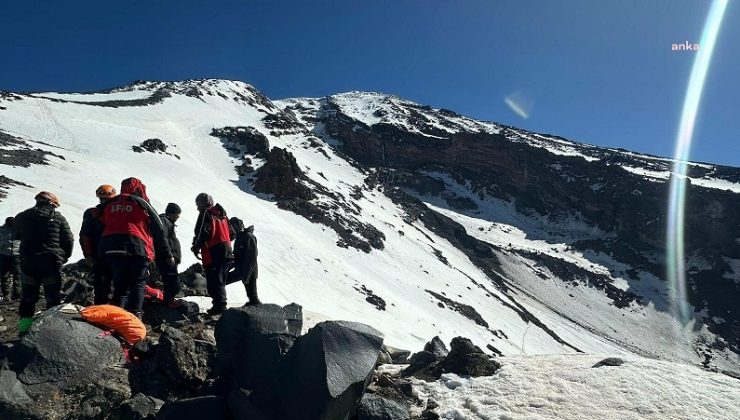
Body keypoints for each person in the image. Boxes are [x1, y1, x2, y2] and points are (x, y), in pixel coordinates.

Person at [98, 178, 173, 318]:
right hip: (137, 248)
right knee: (137, 284)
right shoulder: (141, 203)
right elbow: (160, 228)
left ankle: (115, 318)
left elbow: (102, 225)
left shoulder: (110, 204)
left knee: (119, 286)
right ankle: (135, 317)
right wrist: (167, 254)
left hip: (112, 249)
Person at [14, 192, 74, 333]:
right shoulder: (58, 218)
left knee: (28, 297)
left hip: (28, 262)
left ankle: (24, 330)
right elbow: (69, 239)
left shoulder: (22, 216)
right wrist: (65, 256)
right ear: (52, 204)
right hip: (51, 262)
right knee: (52, 297)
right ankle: (52, 331)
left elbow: (16, 235)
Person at [191, 193, 232, 315]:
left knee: (215, 279)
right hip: (227, 251)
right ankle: (219, 305)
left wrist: (196, 246)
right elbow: (232, 233)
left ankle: (220, 307)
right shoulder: (223, 216)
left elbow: (203, 232)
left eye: (198, 204)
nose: (198, 207)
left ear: (203, 204)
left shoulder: (206, 214)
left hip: (214, 251)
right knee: (220, 279)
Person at [80, 184, 117, 304]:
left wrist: (88, 255)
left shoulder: (92, 213)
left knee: (102, 288)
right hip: (116, 255)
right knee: (118, 288)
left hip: (99, 255)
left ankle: (100, 314)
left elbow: (85, 235)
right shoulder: (118, 212)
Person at [226, 217, 261, 305]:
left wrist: (247, 276)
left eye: (232, 226)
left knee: (253, 296)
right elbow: (237, 256)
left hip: (248, 272)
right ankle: (255, 310)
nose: (231, 228)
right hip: (242, 271)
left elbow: (251, 257)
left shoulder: (248, 237)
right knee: (252, 297)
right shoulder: (239, 237)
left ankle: (260, 314)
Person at [158, 202, 182, 306]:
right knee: (172, 282)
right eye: (177, 214)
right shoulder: (165, 221)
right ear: (172, 213)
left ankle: (169, 301)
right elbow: (162, 238)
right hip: (166, 258)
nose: (178, 217)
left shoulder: (167, 222)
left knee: (171, 281)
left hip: (168, 257)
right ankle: (168, 302)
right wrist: (168, 255)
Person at [0, 217, 21, 303]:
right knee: (5, 276)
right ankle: (6, 295)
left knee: (18, 275)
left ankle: (17, 295)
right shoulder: (1, 230)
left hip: (16, 255)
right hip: (4, 255)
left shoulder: (20, 230)